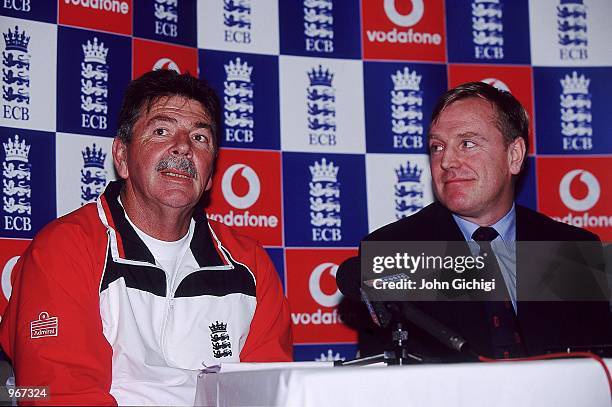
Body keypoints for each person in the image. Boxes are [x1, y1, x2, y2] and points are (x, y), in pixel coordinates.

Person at [0, 70, 292, 405]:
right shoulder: (65, 248)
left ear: (210, 175)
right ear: (122, 158)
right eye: (161, 131)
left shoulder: (249, 263)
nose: (182, 147)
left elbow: (269, 391)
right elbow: (59, 394)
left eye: (200, 138)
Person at [353, 81, 611, 361]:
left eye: (467, 143)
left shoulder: (570, 248)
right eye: (437, 147)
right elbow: (383, 383)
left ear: (514, 156)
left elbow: (596, 370)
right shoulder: (394, 250)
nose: (447, 161)